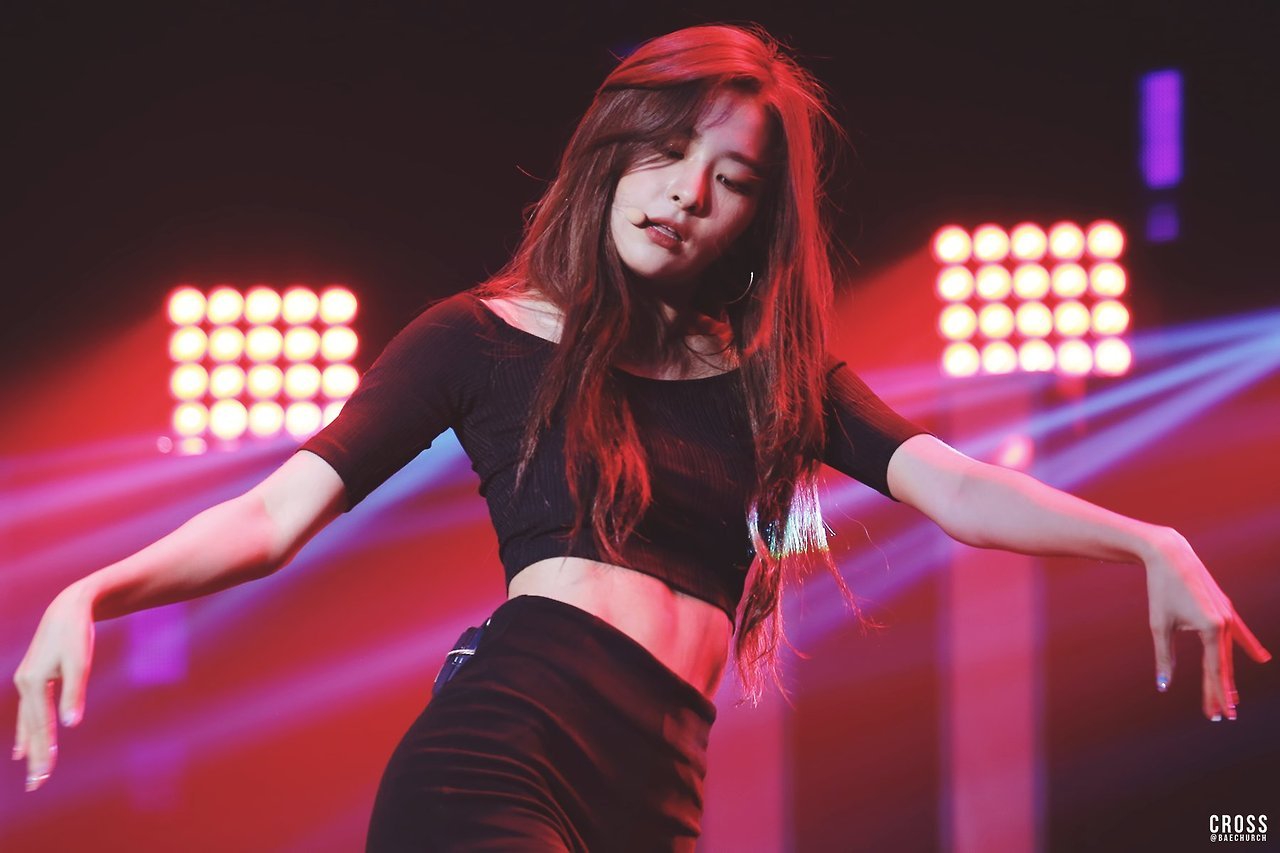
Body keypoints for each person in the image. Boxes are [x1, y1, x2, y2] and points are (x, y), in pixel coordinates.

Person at [12, 22, 1270, 852]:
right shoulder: (479, 336)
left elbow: (956, 488)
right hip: (500, 752)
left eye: (731, 180)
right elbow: (271, 514)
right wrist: (92, 589)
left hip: (660, 792)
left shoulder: (774, 377)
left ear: (755, 220)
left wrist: (1146, 539)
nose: (686, 194)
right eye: (665, 152)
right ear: (611, 156)